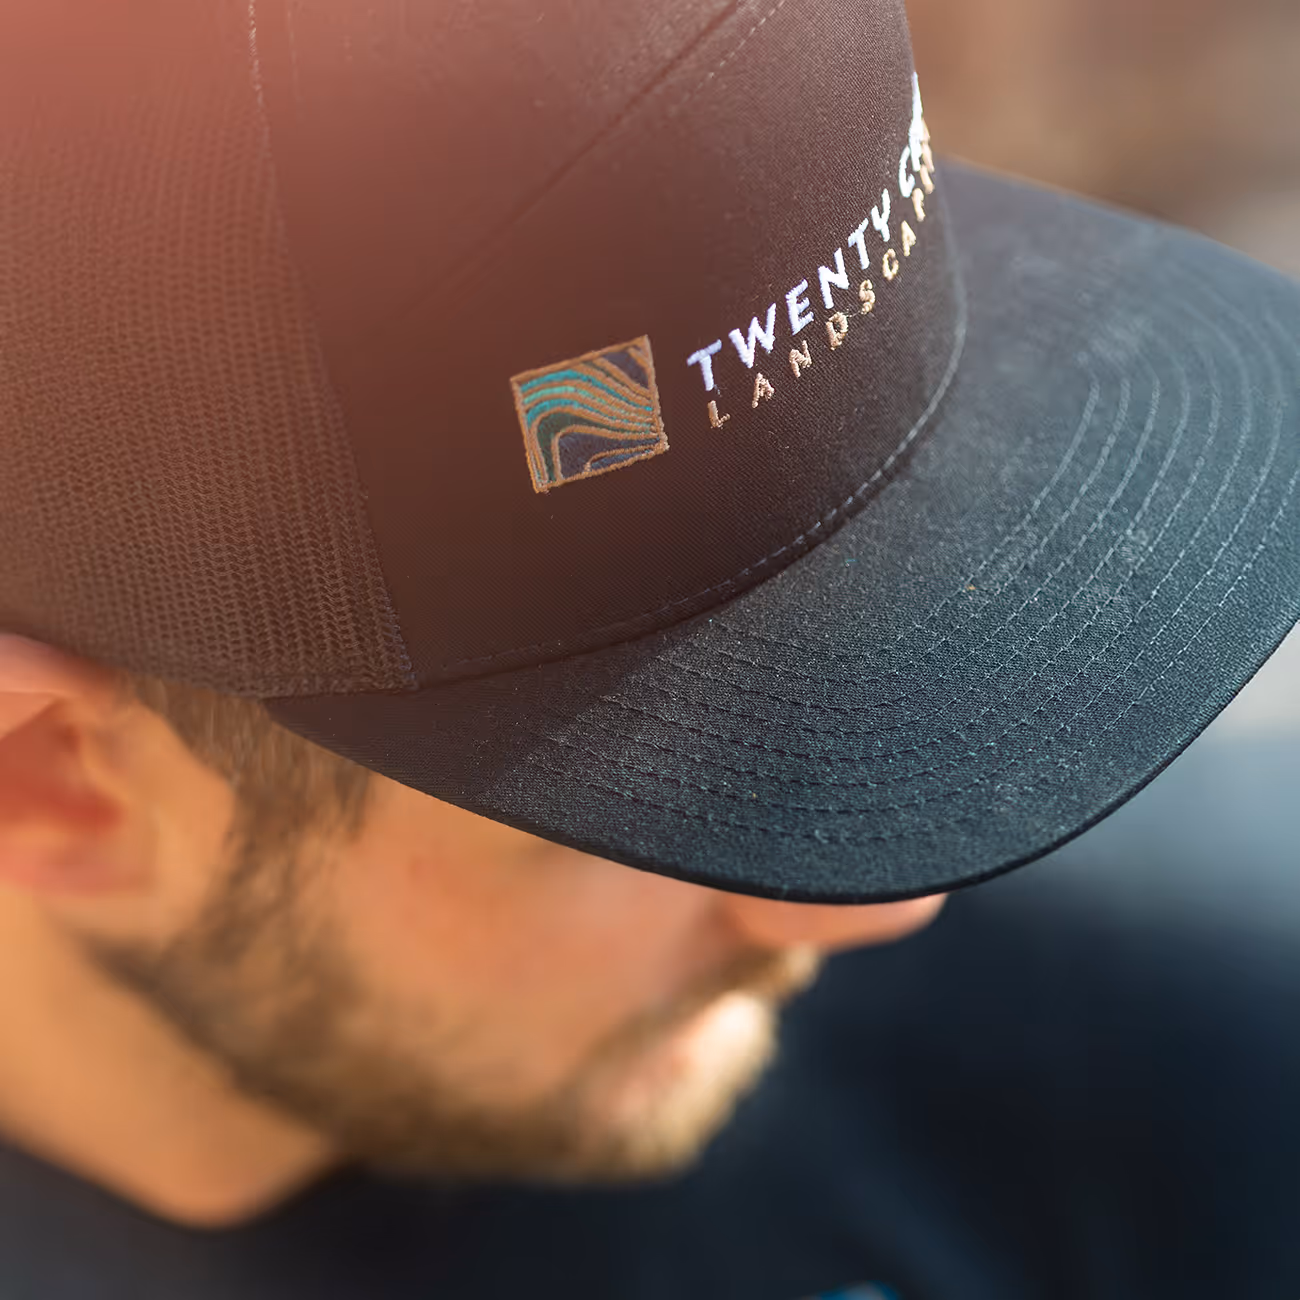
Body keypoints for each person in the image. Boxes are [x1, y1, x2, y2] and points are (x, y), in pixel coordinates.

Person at [1, 0, 1297, 1294]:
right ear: (54, 784)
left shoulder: (1185, 1048)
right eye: (654, 807)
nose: (894, 910)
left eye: (888, 641)